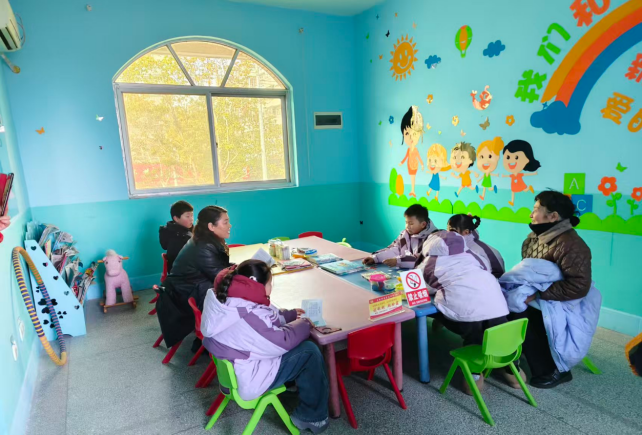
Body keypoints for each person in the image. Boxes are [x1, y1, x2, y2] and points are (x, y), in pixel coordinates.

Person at [202, 260, 329, 434]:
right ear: (259, 285)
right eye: (270, 283)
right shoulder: (249, 315)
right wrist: (304, 324)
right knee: (309, 350)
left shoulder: (228, 300)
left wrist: (289, 315)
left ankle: (299, 391)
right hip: (251, 378)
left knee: (300, 346)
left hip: (235, 369)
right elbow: (282, 341)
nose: (271, 287)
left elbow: (264, 318)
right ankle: (313, 417)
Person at [509, 190, 593, 388]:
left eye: (536, 210)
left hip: (565, 300)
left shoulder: (572, 245)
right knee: (508, 307)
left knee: (522, 318)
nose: (531, 214)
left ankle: (554, 370)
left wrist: (538, 294)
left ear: (553, 216)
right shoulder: (534, 238)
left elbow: (579, 285)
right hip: (540, 296)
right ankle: (512, 359)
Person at [417, 230, 509, 394]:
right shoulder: (473, 255)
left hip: (467, 313)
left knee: (470, 330)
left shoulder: (431, 262)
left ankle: (474, 373)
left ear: (429, 245)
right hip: (498, 307)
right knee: (492, 331)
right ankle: (510, 370)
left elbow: (423, 288)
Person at [156, 205, 232, 350]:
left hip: (184, 291)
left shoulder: (204, 240)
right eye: (225, 222)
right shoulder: (204, 247)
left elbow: (218, 268)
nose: (230, 225)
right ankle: (213, 340)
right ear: (211, 226)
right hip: (183, 298)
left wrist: (240, 268)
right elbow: (221, 278)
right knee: (237, 298)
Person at [363, 204, 438, 268]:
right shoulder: (405, 235)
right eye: (406, 222)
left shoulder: (433, 239)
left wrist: (398, 261)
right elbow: (395, 249)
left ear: (423, 224)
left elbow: (421, 259)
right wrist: (375, 258)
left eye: (411, 223)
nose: (407, 226)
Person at [447, 214, 505, 278]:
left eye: (452, 231)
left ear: (466, 232)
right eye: (448, 231)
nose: (449, 234)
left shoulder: (478, 252)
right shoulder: (454, 247)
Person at [159, 200, 194, 274]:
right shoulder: (180, 237)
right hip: (182, 273)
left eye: (192, 215)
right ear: (176, 219)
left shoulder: (169, 230)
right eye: (187, 216)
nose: (191, 219)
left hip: (174, 270)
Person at [399, 106, 425, 198]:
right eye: (406, 133)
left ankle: (413, 190)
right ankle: (412, 190)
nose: (410, 137)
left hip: (414, 165)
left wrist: (422, 164)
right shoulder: (408, 150)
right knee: (411, 176)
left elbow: (419, 157)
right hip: (409, 165)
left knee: (413, 176)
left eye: (414, 133)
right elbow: (406, 157)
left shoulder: (416, 150)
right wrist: (402, 162)